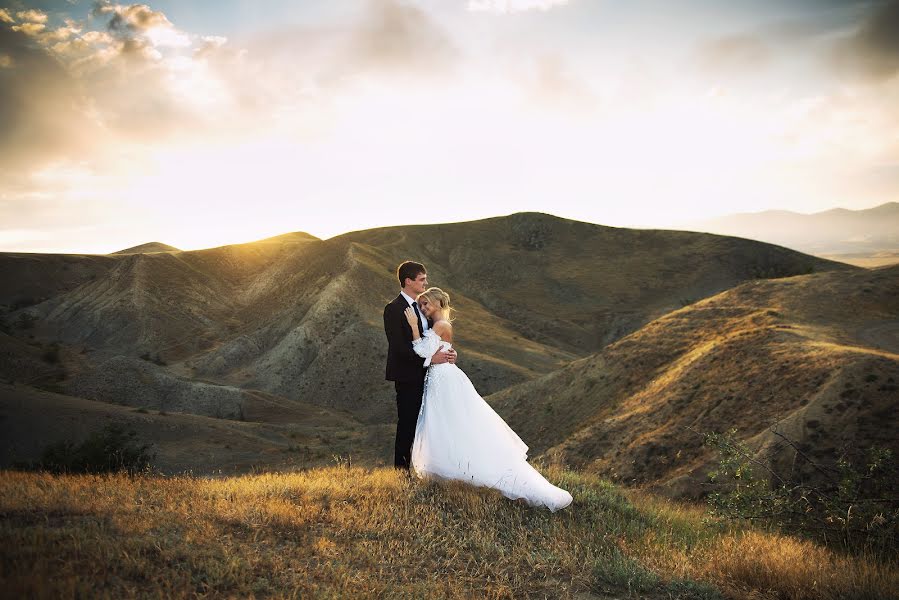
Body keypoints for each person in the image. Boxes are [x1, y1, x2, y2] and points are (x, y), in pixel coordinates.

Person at [405, 287, 573, 512]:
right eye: (421, 305)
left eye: (426, 304)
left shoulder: (441, 325)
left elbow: (423, 351)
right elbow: (434, 354)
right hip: (440, 377)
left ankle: (461, 470)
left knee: (448, 423)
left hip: (444, 379)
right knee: (445, 424)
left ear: (438, 303)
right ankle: (452, 469)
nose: (423, 308)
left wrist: (414, 327)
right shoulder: (441, 325)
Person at [383, 261, 457, 470]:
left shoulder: (424, 308)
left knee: (427, 425)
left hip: (432, 377)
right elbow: (398, 348)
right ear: (408, 281)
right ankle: (402, 473)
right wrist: (428, 360)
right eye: (422, 279)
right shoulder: (394, 309)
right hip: (408, 377)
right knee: (407, 424)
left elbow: (436, 339)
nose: (425, 282)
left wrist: (449, 352)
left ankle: (427, 467)